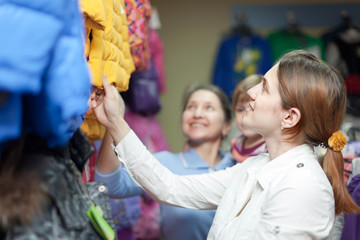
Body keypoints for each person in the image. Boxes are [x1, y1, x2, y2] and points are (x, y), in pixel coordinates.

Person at [91, 50, 360, 239]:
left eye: (264, 87)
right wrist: (115, 122)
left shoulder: (303, 187)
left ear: (289, 117)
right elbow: (171, 188)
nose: (251, 93)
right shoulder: (253, 168)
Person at [94, 82, 235, 240]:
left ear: (227, 125)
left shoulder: (240, 166)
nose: (197, 114)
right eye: (191, 107)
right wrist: (112, 123)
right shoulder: (165, 162)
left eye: (209, 107)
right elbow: (109, 186)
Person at [230, 74, 267, 162]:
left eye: (252, 108)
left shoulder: (268, 148)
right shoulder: (237, 143)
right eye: (240, 110)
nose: (245, 115)